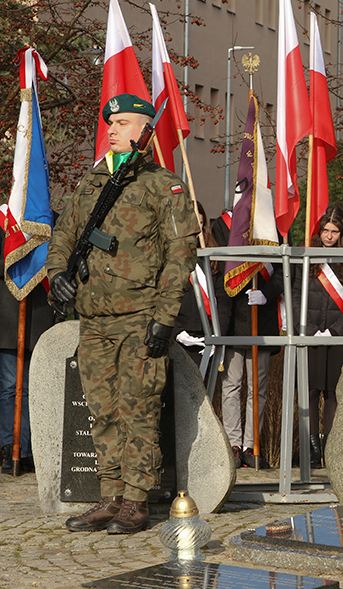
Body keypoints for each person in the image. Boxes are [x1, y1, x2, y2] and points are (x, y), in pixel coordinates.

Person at [47, 94, 199, 534]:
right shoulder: (93, 182)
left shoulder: (162, 185)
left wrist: (165, 317)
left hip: (139, 315)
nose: (112, 128)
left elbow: (180, 254)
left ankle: (136, 500)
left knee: (138, 409)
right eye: (109, 122)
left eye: (123, 122)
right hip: (94, 318)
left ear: (145, 129)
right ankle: (109, 495)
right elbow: (65, 233)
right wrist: (57, 271)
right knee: (102, 408)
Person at [293, 206, 343, 468]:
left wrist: (335, 330)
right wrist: (311, 329)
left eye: (334, 232)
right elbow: (295, 296)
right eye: (325, 230)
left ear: (342, 233)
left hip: (339, 336)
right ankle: (312, 451)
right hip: (311, 334)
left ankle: (331, 449)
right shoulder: (307, 258)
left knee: (333, 393)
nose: (329, 236)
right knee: (311, 390)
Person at [0, 233, 55, 475]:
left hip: (40, 314)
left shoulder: (48, 221)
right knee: (10, 387)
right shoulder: (4, 223)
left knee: (35, 389)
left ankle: (31, 450)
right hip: (9, 318)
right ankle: (10, 447)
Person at [220, 259, 282, 470]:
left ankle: (250, 446)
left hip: (262, 321)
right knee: (231, 385)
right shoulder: (225, 225)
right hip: (233, 319)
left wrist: (268, 293)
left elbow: (285, 268)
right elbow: (224, 269)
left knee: (257, 389)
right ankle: (233, 444)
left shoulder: (274, 230)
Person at [173, 202, 232, 372]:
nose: (196, 227)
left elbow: (223, 300)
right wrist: (176, 332)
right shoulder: (171, 255)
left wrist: (218, 335)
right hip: (180, 337)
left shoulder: (213, 255)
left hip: (207, 335)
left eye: (199, 222)